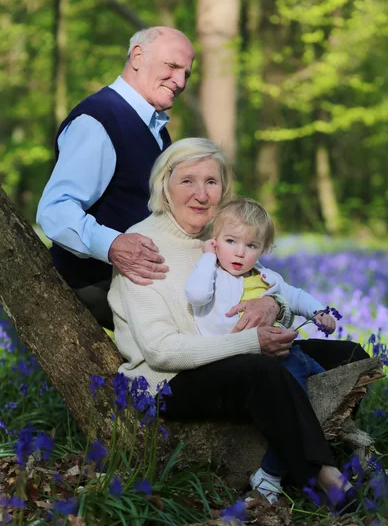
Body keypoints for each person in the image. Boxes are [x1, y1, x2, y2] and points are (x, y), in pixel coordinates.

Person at [109, 137, 368, 514]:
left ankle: (282, 461)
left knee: (349, 356)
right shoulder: (141, 247)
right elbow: (160, 350)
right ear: (165, 185)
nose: (201, 194)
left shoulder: (223, 237)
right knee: (262, 370)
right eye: (188, 181)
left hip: (230, 354)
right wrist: (250, 342)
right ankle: (326, 479)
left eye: (211, 182)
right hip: (169, 381)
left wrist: (272, 304)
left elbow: (265, 290)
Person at [37, 27, 195, 329]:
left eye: (186, 73)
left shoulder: (155, 127)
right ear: (137, 56)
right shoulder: (99, 120)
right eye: (172, 67)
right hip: (99, 281)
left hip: (147, 282)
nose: (180, 81)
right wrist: (113, 245)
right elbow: (55, 210)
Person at [184, 197, 338, 503]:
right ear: (215, 242)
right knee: (300, 400)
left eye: (251, 245)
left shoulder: (267, 277)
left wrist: (319, 312)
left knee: (328, 392)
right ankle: (270, 472)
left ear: (264, 249)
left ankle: (343, 451)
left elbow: (294, 297)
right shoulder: (212, 274)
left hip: (284, 353)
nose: (240, 252)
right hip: (247, 364)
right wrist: (206, 257)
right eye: (230, 241)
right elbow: (196, 295)